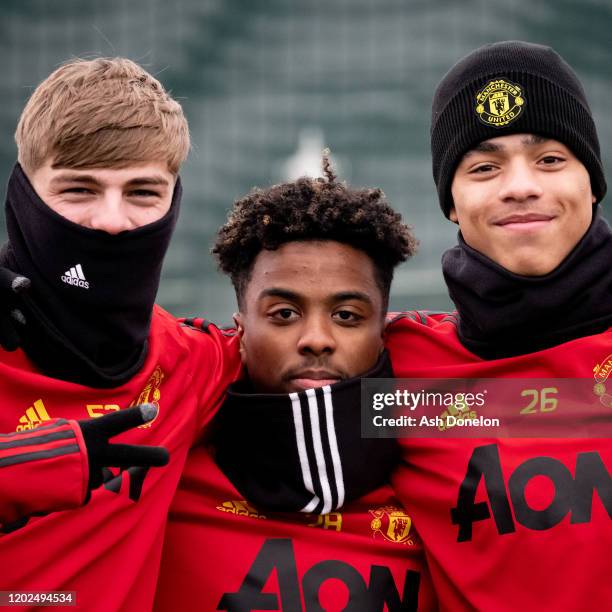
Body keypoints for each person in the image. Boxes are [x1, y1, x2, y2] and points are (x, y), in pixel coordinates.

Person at [0, 58, 241, 610]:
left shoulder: (193, 364)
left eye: (142, 193)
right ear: (24, 193)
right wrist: (32, 469)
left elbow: (447, 399)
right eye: (79, 189)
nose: (112, 220)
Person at [381, 41, 612, 610]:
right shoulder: (393, 377)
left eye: (551, 160)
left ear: (592, 182)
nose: (520, 186)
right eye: (484, 167)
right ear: (452, 202)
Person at [154, 157, 437, 610]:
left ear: (383, 332)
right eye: (284, 314)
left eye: (347, 317)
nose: (317, 340)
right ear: (239, 332)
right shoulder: (161, 475)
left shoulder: (439, 470)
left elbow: (574, 402)